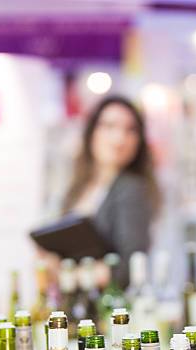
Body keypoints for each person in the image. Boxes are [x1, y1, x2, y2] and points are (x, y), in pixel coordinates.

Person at [63, 95, 161, 287]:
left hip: (110, 307)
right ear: (92, 132)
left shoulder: (132, 189)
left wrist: (79, 275)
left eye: (130, 130)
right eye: (109, 126)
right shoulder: (79, 186)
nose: (119, 139)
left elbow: (130, 267)